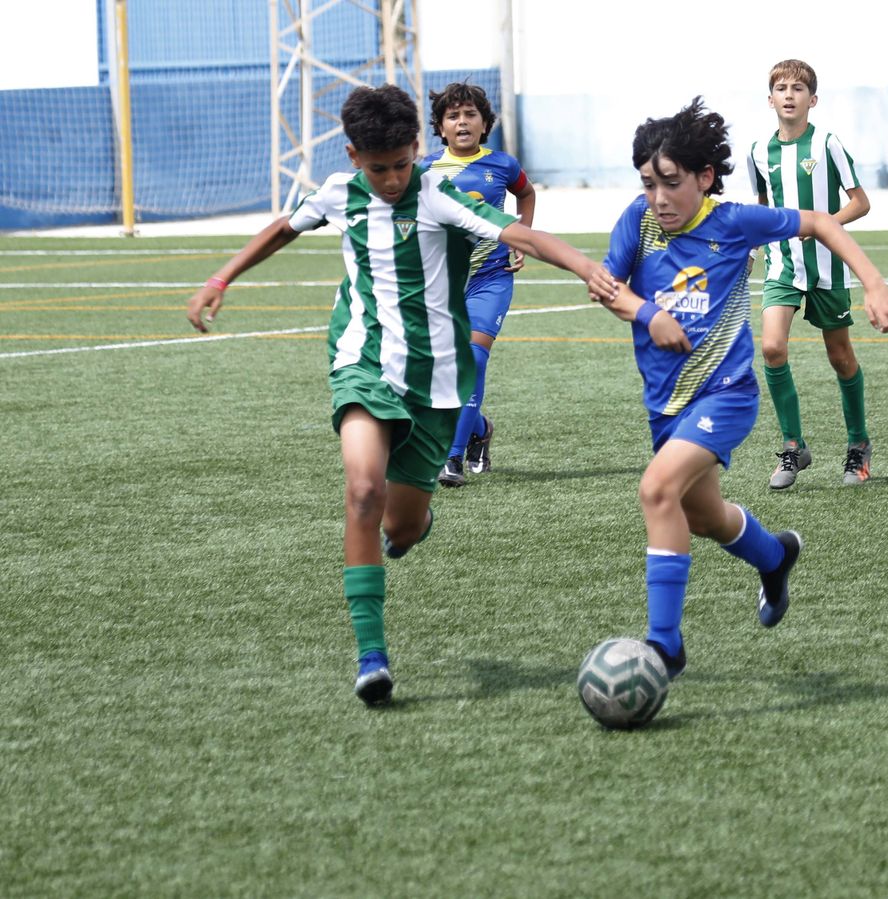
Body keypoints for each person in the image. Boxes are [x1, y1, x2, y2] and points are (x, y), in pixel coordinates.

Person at [185, 85, 611, 705]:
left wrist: (584, 267)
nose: (389, 179)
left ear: (417, 147)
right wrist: (221, 277)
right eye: (377, 167)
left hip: (435, 381)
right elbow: (285, 226)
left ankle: (414, 522)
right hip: (361, 362)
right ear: (356, 156)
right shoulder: (340, 192)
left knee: (402, 527)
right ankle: (372, 656)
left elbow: (522, 237)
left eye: (400, 165)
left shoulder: (440, 195)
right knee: (362, 489)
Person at [583, 97, 888, 679]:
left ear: (704, 178)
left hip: (725, 395)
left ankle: (664, 648)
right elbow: (606, 284)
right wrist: (645, 312)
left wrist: (873, 282)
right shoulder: (639, 221)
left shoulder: (732, 223)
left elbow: (821, 222)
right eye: (649, 183)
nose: (658, 198)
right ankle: (775, 557)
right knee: (703, 517)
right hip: (666, 407)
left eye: (671, 183)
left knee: (656, 491)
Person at [746, 59, 878, 489]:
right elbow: (765, 208)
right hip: (782, 266)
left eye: (798, 89)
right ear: (770, 99)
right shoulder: (757, 152)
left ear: (812, 99)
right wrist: (751, 244)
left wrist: (825, 227)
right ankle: (793, 445)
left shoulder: (827, 144)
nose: (789, 94)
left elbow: (860, 201)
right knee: (770, 348)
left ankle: (858, 445)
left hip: (827, 267)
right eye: (781, 88)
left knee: (840, 358)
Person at [421, 82, 535, 487]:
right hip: (443, 287)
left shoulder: (502, 164)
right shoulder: (424, 170)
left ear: (484, 123)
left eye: (470, 114)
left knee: (473, 360)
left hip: (491, 278)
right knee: (441, 371)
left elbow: (526, 194)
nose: (462, 122)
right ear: (440, 126)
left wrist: (522, 236)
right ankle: (479, 429)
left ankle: (450, 459)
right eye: (453, 116)